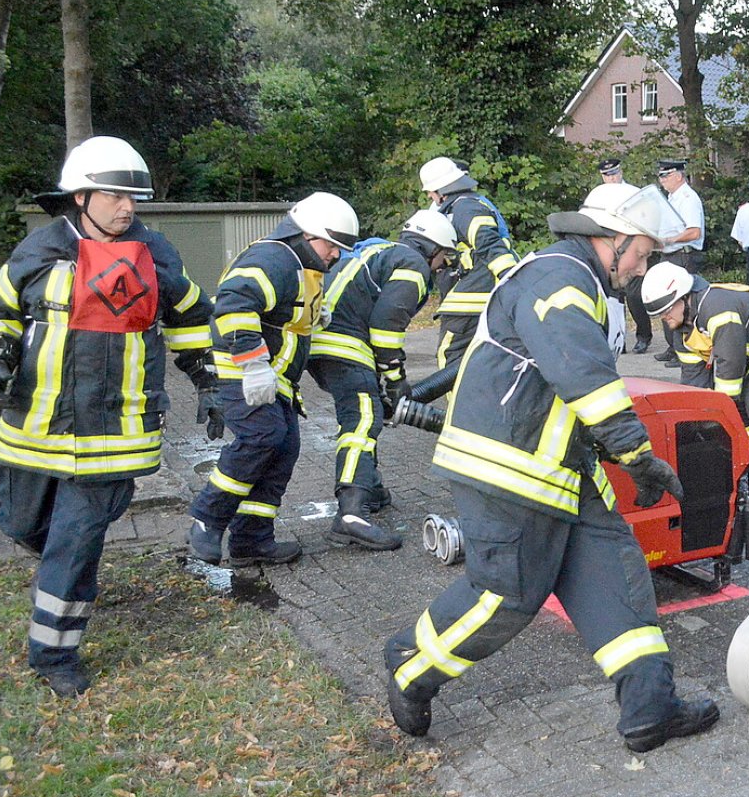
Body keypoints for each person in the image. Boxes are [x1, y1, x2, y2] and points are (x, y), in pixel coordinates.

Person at [384, 183, 720, 752]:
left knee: (614, 572)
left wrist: (616, 453)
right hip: (511, 468)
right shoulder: (561, 277)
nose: (641, 269)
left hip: (562, 469)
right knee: (506, 594)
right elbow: (582, 374)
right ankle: (411, 667)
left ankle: (649, 708)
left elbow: (566, 387)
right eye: (641, 253)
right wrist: (636, 454)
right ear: (611, 237)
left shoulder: (571, 277)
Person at [0, 136, 216, 696]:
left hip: (114, 435)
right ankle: (72, 575)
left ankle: (54, 654)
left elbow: (190, 321)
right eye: (114, 195)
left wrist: (209, 382)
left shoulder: (156, 256)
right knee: (19, 526)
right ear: (80, 196)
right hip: (32, 431)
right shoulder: (39, 250)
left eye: (133, 197)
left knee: (74, 541)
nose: (127, 207)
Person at [188, 192, 360, 568]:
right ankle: (207, 517)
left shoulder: (299, 263)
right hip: (246, 374)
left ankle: (252, 540)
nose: (335, 255)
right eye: (332, 246)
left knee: (283, 449)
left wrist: (318, 313)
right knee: (261, 438)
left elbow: (287, 310)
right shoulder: (275, 258)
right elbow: (233, 305)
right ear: (307, 234)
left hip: (275, 377)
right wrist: (252, 365)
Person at [307, 209, 456, 551]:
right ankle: (351, 515)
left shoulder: (376, 250)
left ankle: (370, 488)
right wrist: (395, 378)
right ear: (432, 249)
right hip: (346, 347)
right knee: (362, 420)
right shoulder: (413, 264)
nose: (441, 266)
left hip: (320, 346)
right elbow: (387, 322)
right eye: (443, 257)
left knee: (368, 411)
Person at [640, 262, 749, 496]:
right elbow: (695, 385)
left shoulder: (717, 307)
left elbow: (729, 370)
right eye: (659, 313)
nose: (664, 317)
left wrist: (716, 421)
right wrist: (695, 429)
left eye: (668, 309)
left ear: (684, 297)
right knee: (740, 403)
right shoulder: (682, 332)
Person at [420, 157, 517, 372]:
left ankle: (458, 406)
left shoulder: (465, 208)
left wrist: (511, 278)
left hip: (468, 305)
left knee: (450, 360)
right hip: (479, 301)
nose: (428, 195)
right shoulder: (466, 205)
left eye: (430, 191)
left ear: (441, 189)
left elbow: (489, 244)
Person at [653, 159, 705, 365]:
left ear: (678, 176)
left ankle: (682, 347)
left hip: (682, 255)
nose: (662, 180)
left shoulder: (688, 198)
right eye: (661, 176)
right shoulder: (673, 197)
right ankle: (673, 346)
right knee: (669, 299)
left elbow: (694, 231)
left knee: (680, 302)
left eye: (665, 176)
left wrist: (669, 240)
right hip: (671, 255)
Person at [601, 158, 653, 353]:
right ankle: (618, 337)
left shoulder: (633, 193)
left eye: (614, 173)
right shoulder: (600, 196)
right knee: (614, 297)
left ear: (620, 173)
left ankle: (643, 336)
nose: (612, 178)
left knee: (633, 295)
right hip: (610, 248)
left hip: (631, 247)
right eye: (607, 175)